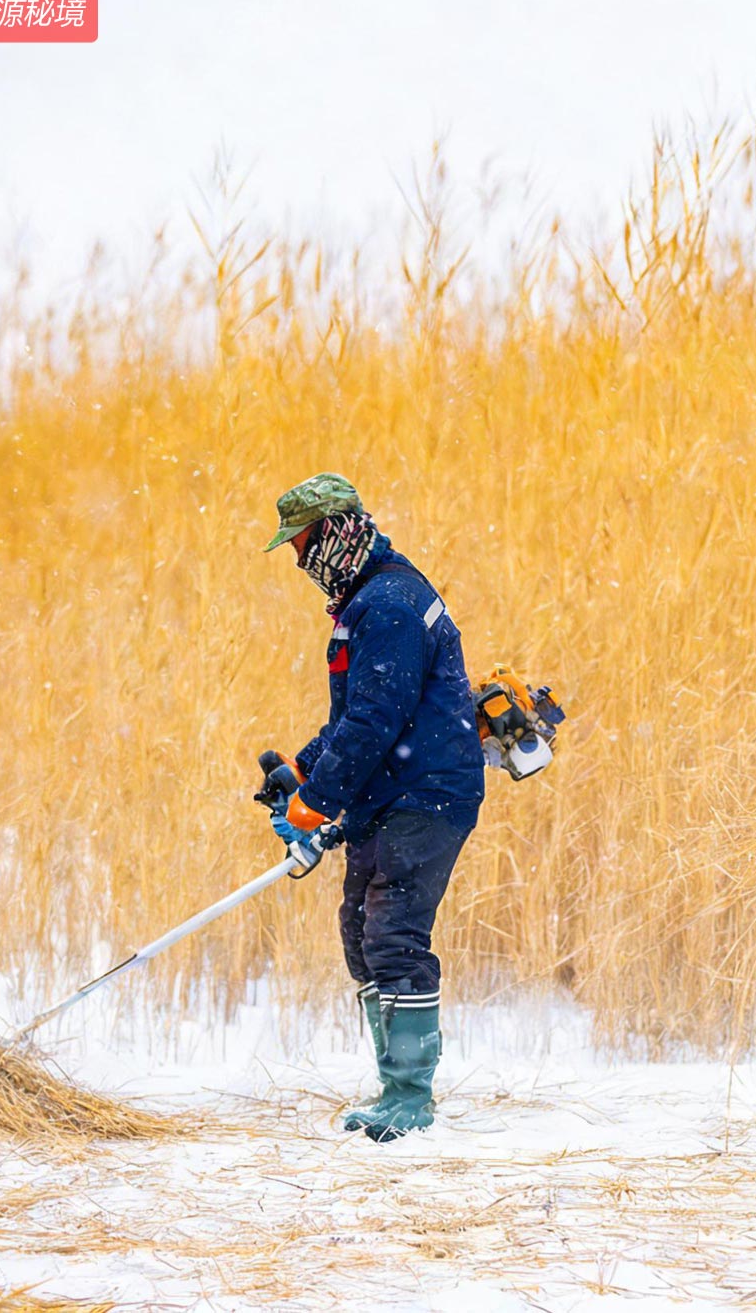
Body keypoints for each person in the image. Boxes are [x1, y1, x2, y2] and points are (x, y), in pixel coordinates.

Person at [262, 473, 485, 1141]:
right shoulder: (368, 596)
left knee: (393, 935)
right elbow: (355, 716)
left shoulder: (386, 603)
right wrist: (302, 767)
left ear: (336, 532)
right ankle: (394, 1083)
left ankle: (411, 1097)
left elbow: (374, 722)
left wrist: (315, 803)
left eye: (303, 546)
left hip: (426, 793)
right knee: (360, 928)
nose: (301, 563)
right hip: (391, 792)